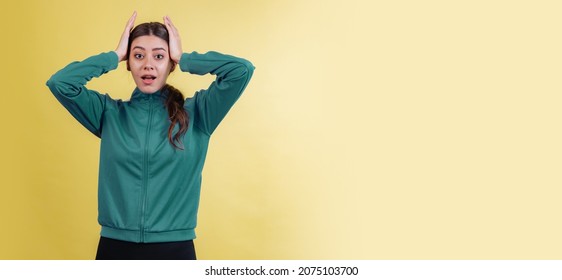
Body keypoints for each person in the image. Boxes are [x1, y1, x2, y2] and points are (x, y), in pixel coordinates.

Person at [46, 12, 255, 260]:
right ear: (128, 62)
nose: (148, 64)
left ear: (170, 64)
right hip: (115, 248)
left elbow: (241, 70)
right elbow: (60, 83)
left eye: (159, 56)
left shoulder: (199, 114)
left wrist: (184, 58)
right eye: (138, 55)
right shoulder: (108, 114)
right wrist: (113, 56)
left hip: (175, 250)